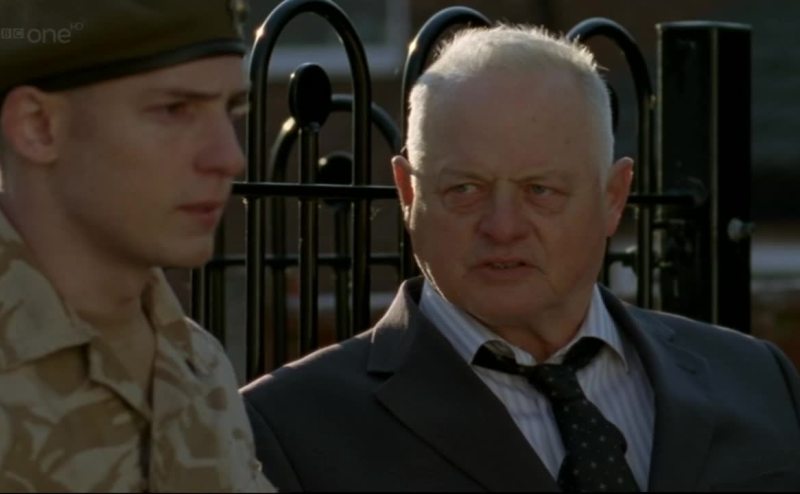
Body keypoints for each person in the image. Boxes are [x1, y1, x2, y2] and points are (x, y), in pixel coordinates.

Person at [242, 23, 800, 492]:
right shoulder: (289, 429)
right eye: (465, 189)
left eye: (541, 191)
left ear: (614, 197)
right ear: (408, 195)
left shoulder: (758, 382)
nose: (503, 227)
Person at [0, 0, 276, 491]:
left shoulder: (198, 364)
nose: (229, 157)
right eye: (174, 110)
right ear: (38, 126)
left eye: (231, 110)